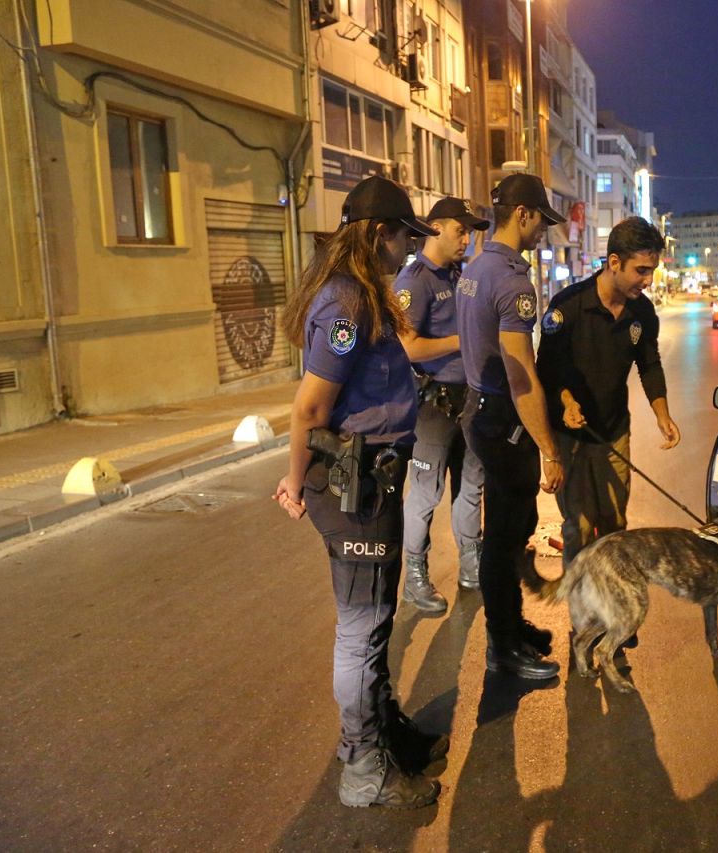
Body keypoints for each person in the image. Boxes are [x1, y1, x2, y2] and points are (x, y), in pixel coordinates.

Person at [273, 174, 445, 809]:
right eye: (404, 236)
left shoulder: (362, 295)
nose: (408, 249)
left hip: (374, 477)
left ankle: (386, 733)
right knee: (363, 626)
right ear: (379, 234)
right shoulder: (347, 305)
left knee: (375, 621)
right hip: (356, 484)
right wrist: (294, 481)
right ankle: (362, 768)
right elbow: (311, 409)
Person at [455, 173, 565, 680]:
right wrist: (549, 448)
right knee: (502, 539)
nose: (544, 229)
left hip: (480, 410)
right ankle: (502, 646)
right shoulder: (513, 281)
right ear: (523, 214)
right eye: (541, 219)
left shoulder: (476, 267)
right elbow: (521, 376)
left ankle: (511, 625)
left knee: (509, 530)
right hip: (503, 420)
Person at [537, 216, 680, 573]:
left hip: (614, 432)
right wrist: (567, 404)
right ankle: (582, 618)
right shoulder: (567, 307)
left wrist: (663, 414)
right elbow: (547, 373)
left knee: (614, 525)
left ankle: (615, 609)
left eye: (652, 271)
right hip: (570, 436)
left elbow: (649, 363)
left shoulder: (642, 312)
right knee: (579, 529)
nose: (648, 281)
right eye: (641, 271)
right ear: (614, 263)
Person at [392, 197, 490, 613]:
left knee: (471, 488)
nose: (466, 239)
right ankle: (414, 576)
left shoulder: (458, 276)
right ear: (434, 228)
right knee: (425, 494)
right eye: (459, 230)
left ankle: (471, 564)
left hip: (468, 399)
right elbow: (407, 347)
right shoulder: (414, 281)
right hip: (432, 405)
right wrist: (464, 340)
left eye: (469, 232)